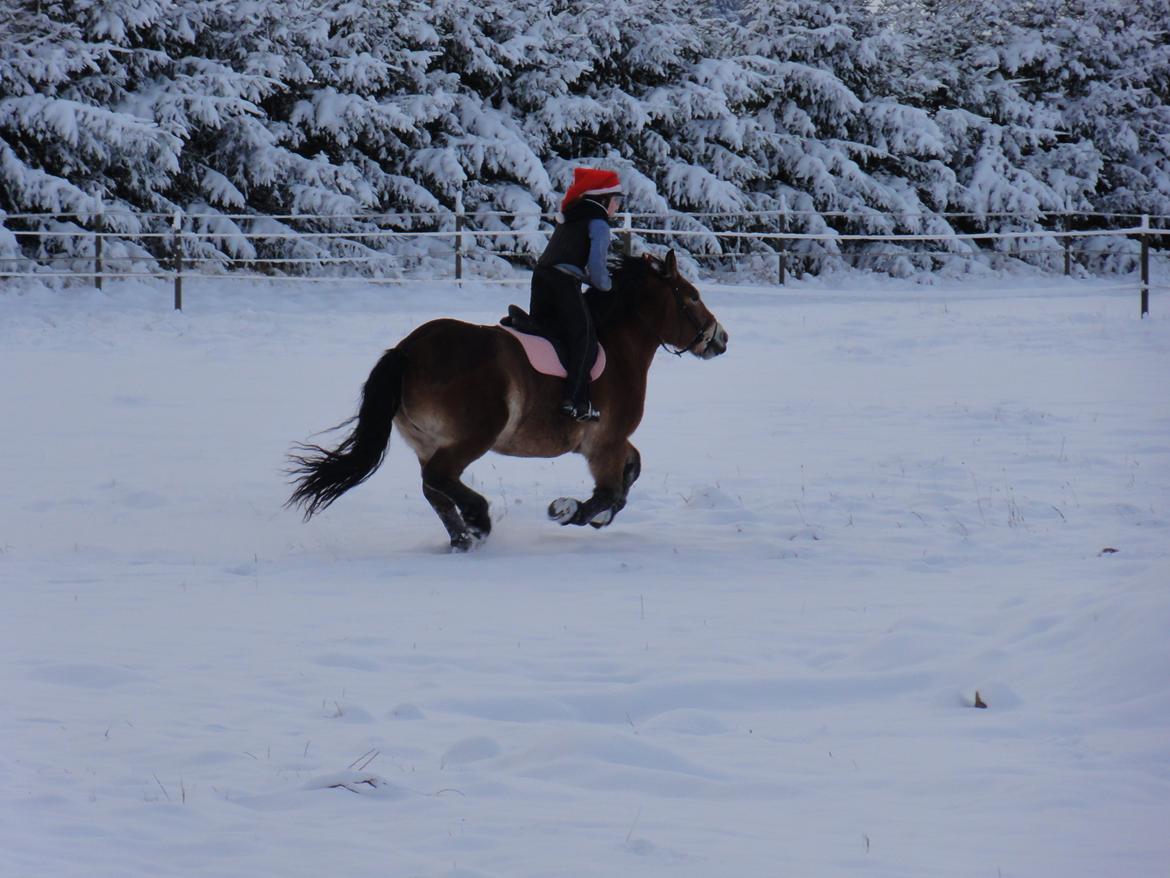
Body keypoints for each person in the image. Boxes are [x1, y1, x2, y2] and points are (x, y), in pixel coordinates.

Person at [531, 167, 623, 422]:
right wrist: (608, 286)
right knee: (585, 338)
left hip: (541, 278)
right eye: (617, 200)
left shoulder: (570, 217)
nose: (618, 206)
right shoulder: (599, 223)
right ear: (604, 199)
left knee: (547, 333)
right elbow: (597, 271)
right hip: (563, 283)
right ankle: (577, 401)